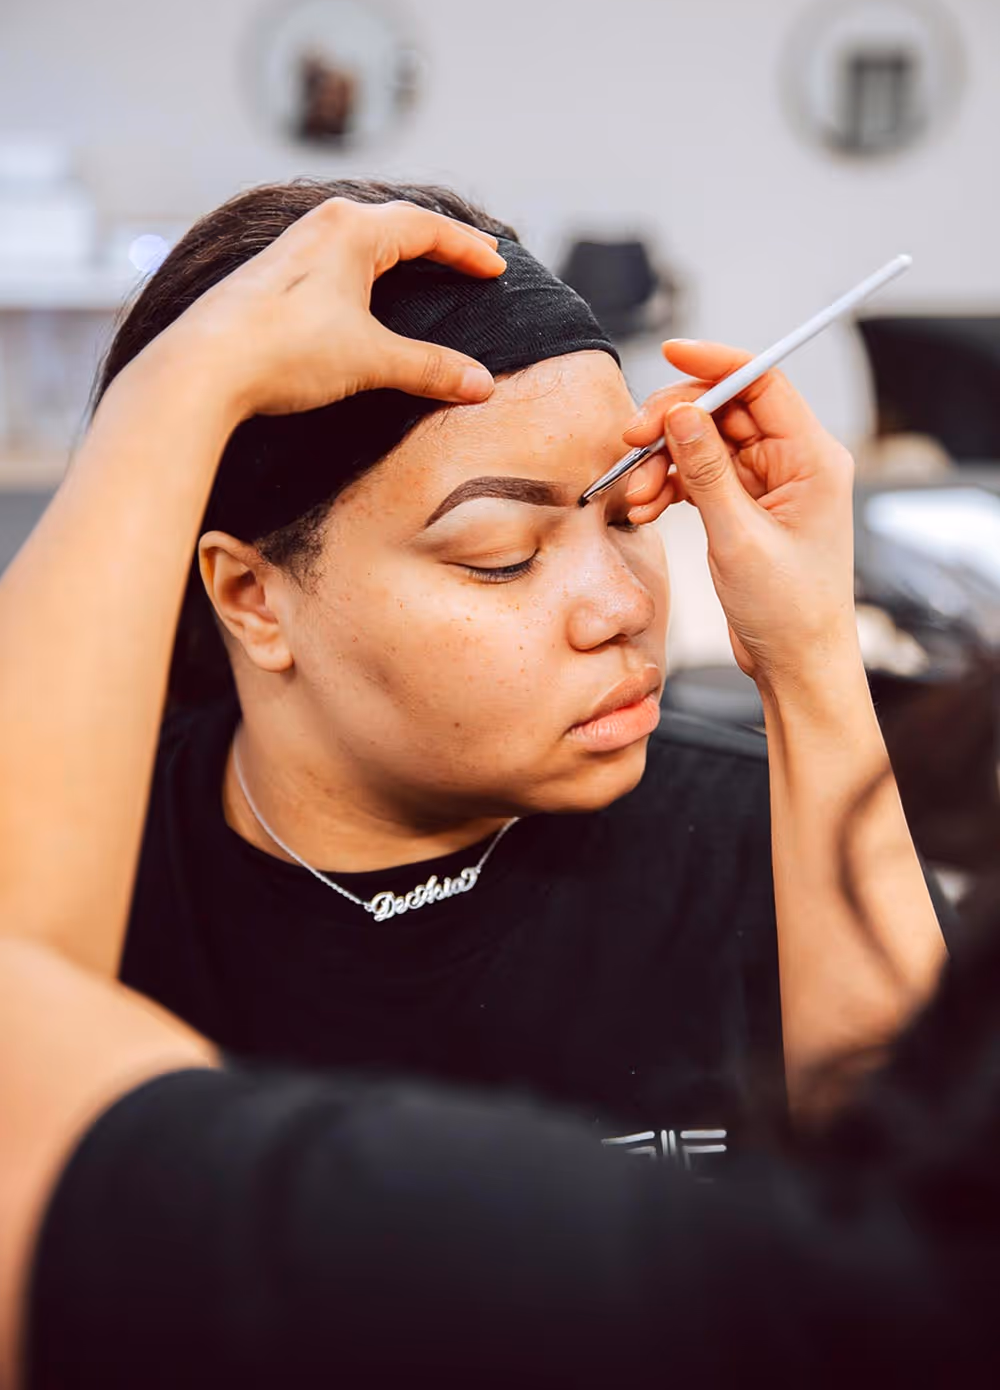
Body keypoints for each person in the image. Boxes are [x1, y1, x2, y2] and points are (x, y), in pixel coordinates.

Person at [0, 198, 961, 1388]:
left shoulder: (778, 834)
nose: (620, 607)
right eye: (499, 554)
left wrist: (810, 664)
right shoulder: (90, 863)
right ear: (251, 596)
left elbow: (934, 1276)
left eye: (628, 515)